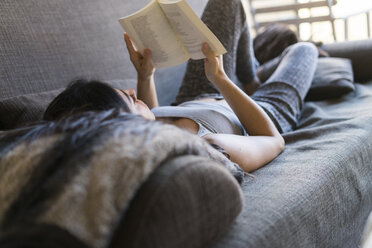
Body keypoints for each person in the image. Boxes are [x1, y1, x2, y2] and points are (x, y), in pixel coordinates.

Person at [44, 0, 319, 173]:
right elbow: (273, 140)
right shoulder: (205, 148)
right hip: (262, 112)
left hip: (194, 95)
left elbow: (153, 115)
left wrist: (145, 75)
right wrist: (221, 79)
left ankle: (251, 76)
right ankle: (256, 75)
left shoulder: (147, 130)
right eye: (127, 99)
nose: (130, 92)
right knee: (303, 49)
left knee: (227, 4)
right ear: (119, 125)